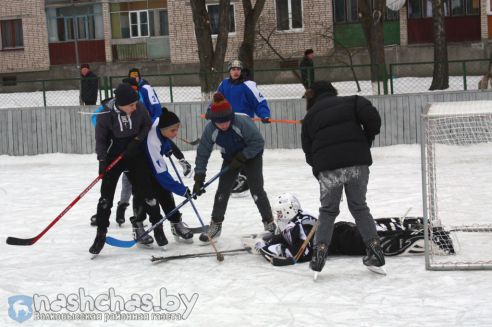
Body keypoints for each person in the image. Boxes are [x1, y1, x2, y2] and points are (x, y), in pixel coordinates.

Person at [301, 80, 384, 274]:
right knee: (360, 207)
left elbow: (308, 150)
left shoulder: (310, 116)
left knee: (328, 211)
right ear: (333, 92)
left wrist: (319, 171)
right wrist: (366, 140)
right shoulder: (353, 101)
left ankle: (319, 254)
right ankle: (375, 251)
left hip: (329, 169)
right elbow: (373, 118)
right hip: (358, 164)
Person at [254, 194, 455, 265]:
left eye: (279, 213)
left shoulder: (294, 226)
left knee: (379, 240)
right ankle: (422, 223)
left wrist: (265, 246)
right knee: (375, 226)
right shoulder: (304, 215)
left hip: (346, 241)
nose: (278, 217)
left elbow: (301, 254)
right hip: (343, 228)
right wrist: (274, 239)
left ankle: (432, 237)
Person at [89, 83, 162, 255]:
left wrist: (137, 140)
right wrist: (102, 160)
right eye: (131, 105)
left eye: (135, 104)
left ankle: (157, 226)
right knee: (105, 197)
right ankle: (101, 233)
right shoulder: (105, 114)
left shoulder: (139, 108)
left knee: (147, 192)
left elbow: (146, 125)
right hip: (114, 155)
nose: (135, 107)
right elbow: (101, 140)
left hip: (134, 152)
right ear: (120, 104)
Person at [193, 92, 276, 242]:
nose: (224, 125)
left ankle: (269, 223)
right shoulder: (210, 130)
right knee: (222, 191)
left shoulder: (242, 122)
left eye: (226, 121)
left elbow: (258, 142)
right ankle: (216, 225)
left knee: (257, 190)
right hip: (230, 159)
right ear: (214, 121)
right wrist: (199, 176)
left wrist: (243, 156)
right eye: (220, 123)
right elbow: (203, 153)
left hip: (252, 156)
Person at [215, 59, 272, 196]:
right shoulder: (224, 84)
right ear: (229, 71)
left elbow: (260, 102)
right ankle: (237, 178)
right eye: (233, 69)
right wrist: (211, 111)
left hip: (245, 126)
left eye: (238, 69)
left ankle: (248, 182)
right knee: (229, 152)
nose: (236, 71)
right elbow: (217, 101)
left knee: (246, 153)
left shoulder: (248, 85)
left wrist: (264, 114)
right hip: (228, 124)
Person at [141, 110, 195, 246]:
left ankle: (176, 223)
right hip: (140, 166)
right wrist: (182, 190)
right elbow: (162, 176)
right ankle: (146, 227)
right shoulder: (152, 142)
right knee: (149, 197)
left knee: (165, 193)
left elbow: (163, 138)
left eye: (177, 129)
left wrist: (166, 147)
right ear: (164, 129)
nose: (176, 133)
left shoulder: (161, 123)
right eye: (173, 131)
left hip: (153, 162)